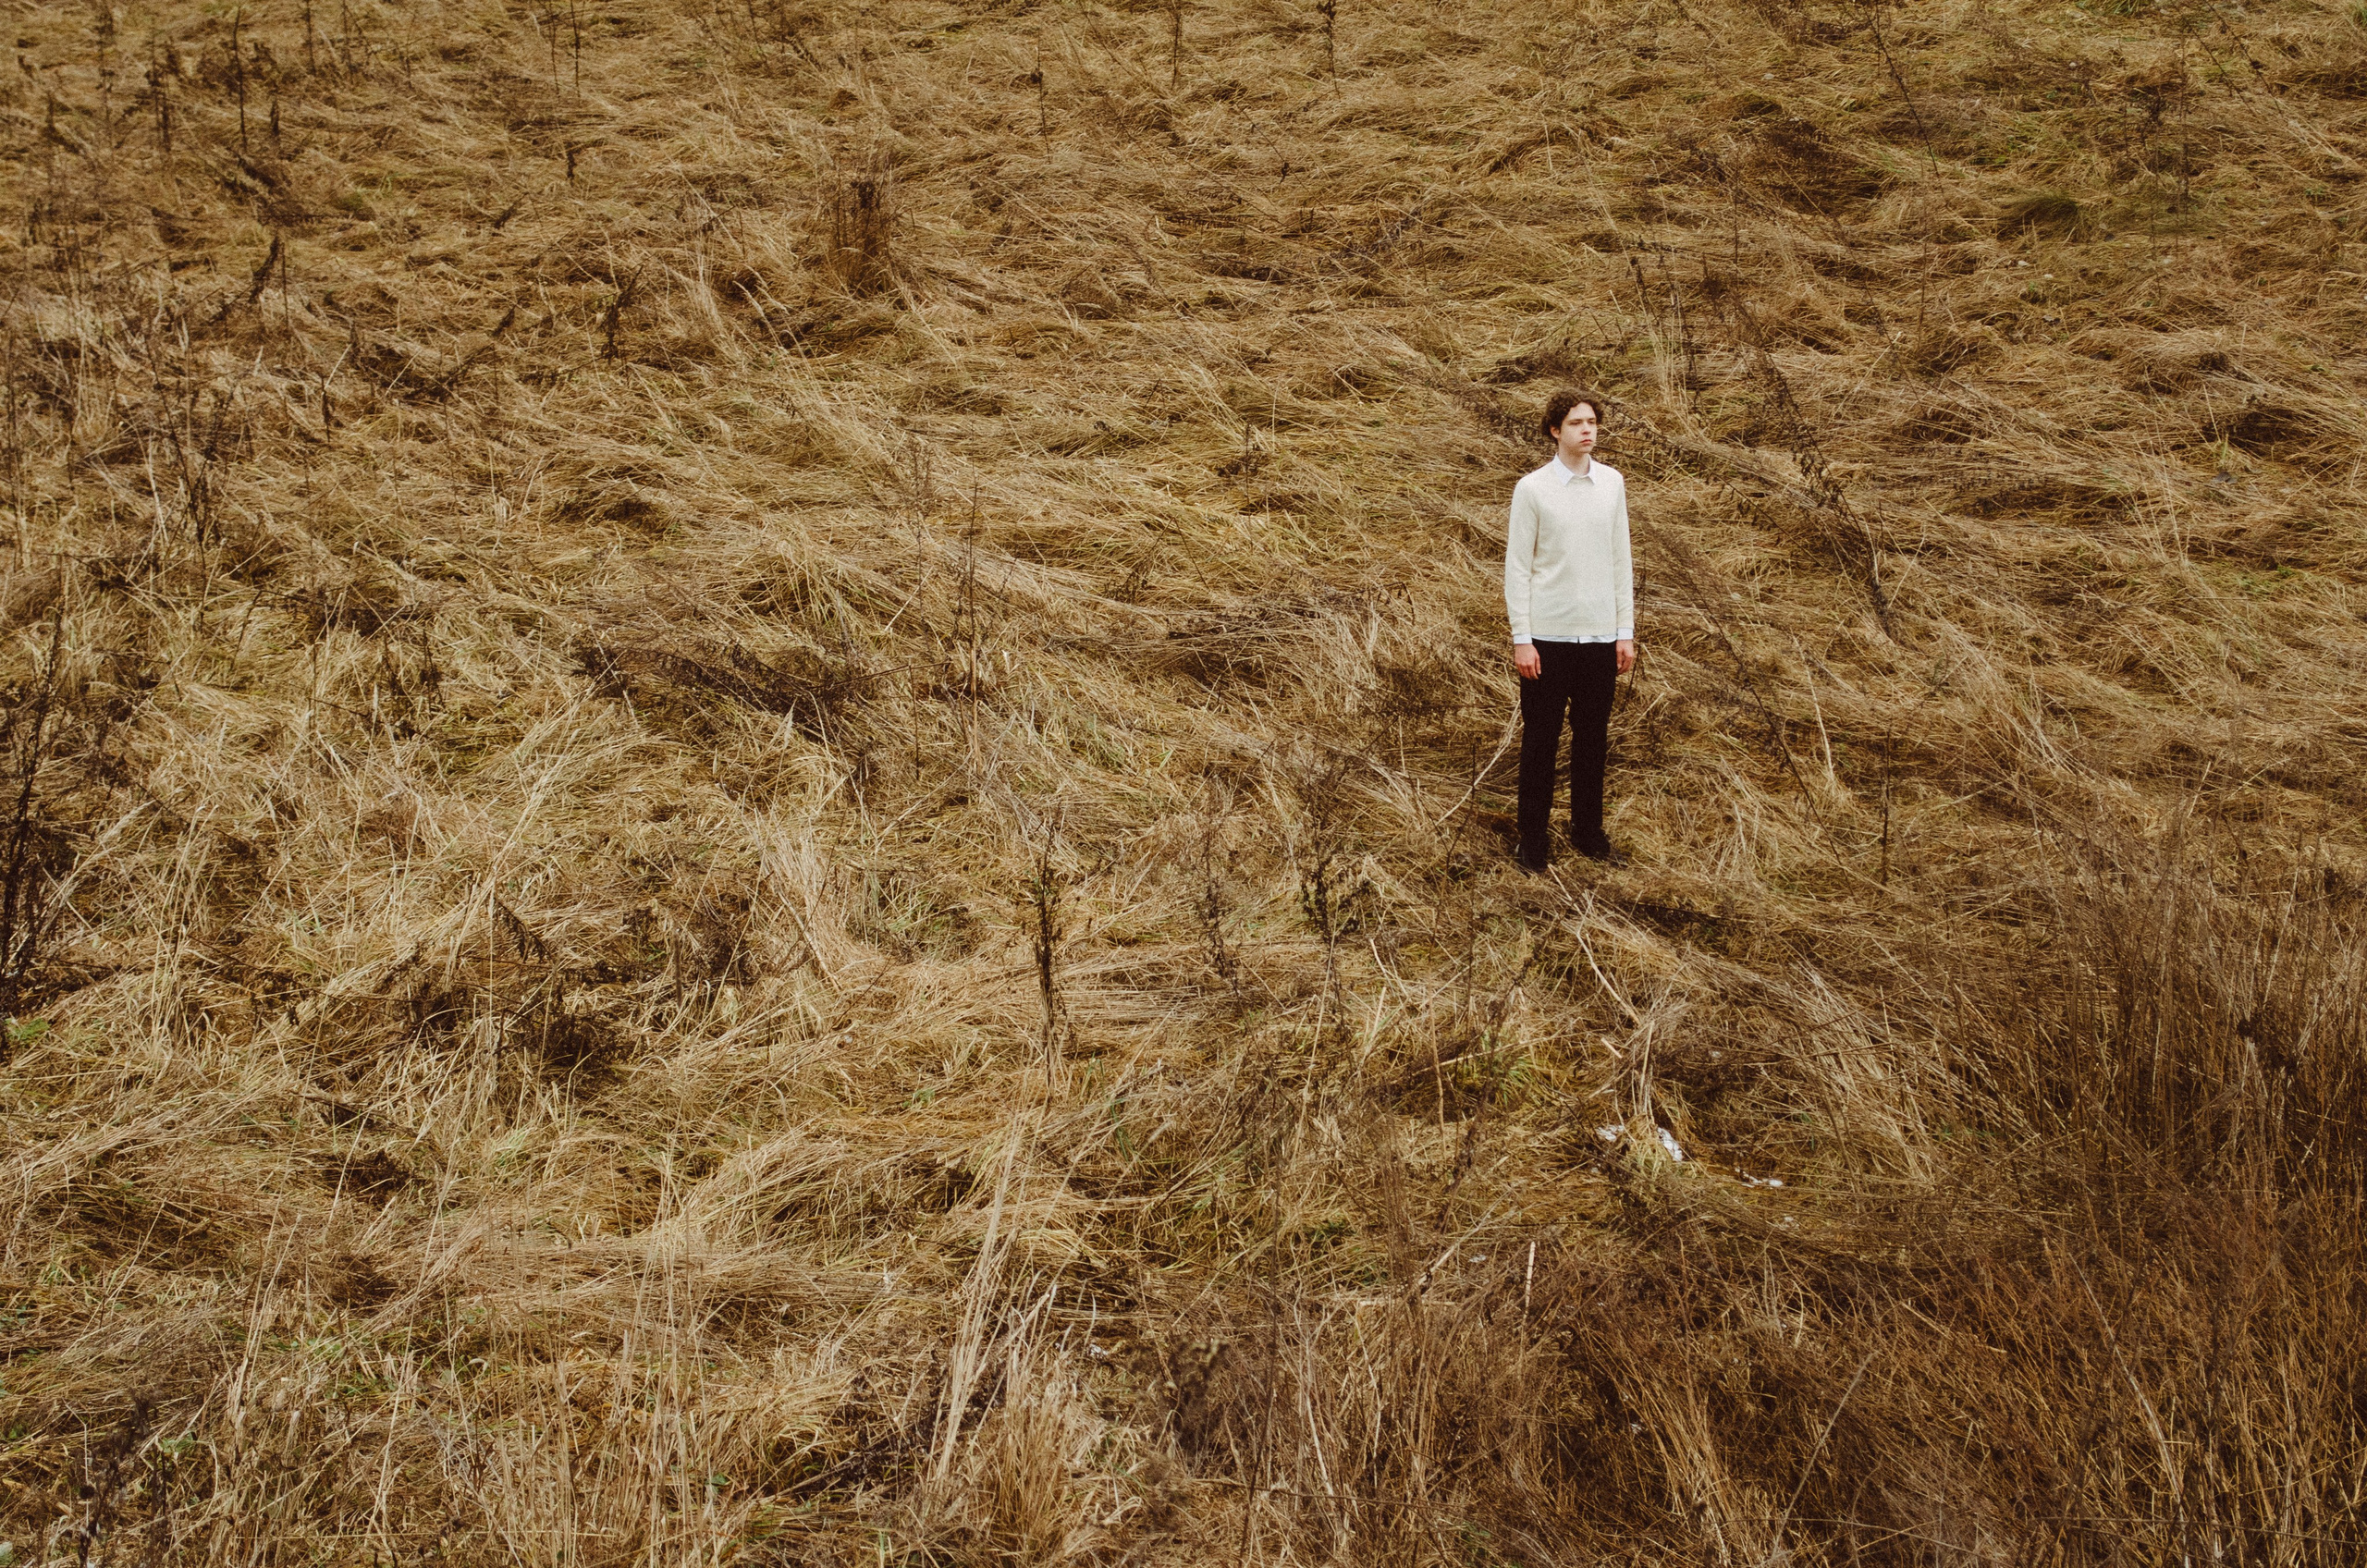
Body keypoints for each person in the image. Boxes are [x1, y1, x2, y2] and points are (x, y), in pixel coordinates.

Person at [1503, 390, 1636, 873]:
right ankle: (1532, 842)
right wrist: (1523, 638)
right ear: (1555, 430)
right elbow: (1518, 569)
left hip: (1601, 640)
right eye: (1577, 422)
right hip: (1548, 642)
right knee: (1540, 741)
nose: (1589, 430)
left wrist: (1625, 630)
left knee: (1592, 740)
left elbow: (1621, 561)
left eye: (1593, 421)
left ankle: (1588, 834)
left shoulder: (1612, 484)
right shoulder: (1532, 489)